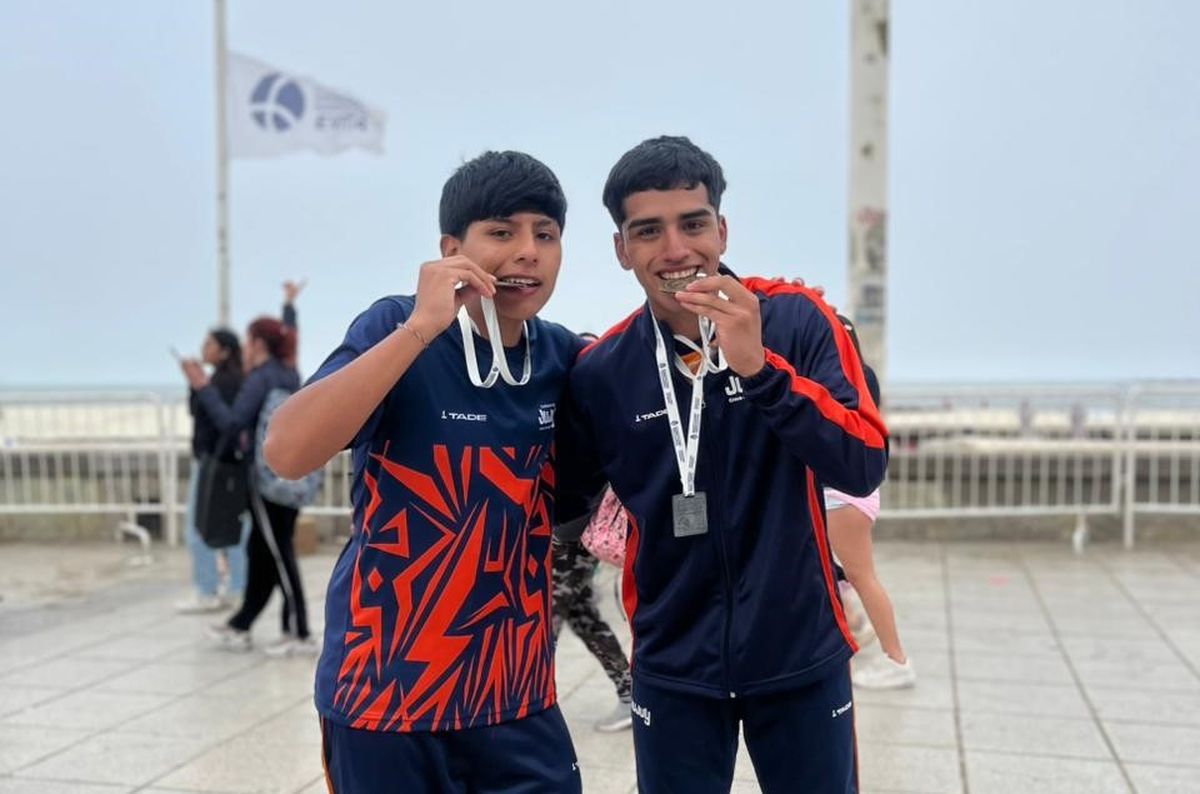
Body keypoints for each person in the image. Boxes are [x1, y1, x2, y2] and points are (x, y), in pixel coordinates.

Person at [557, 136, 889, 793]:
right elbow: (561, 506)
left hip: (800, 655)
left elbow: (861, 465)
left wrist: (762, 372)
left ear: (722, 230)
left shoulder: (797, 321)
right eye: (648, 231)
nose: (675, 249)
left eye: (693, 224)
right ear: (622, 249)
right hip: (672, 668)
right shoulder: (603, 372)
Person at [263, 151, 582, 793]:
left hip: (514, 689)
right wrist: (422, 326)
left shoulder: (561, 355)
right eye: (502, 232)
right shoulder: (395, 325)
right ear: (450, 250)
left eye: (545, 234)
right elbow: (287, 452)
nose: (528, 251)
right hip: (386, 690)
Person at [184, 291, 315, 657]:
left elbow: (233, 422)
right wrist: (289, 308)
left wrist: (203, 388)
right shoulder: (289, 371)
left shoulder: (262, 377)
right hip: (289, 477)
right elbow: (291, 337)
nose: (245, 345)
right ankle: (241, 624)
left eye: (248, 339)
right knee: (262, 553)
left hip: (267, 482)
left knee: (278, 554)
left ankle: (299, 631)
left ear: (258, 343)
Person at [824, 315, 915, 690]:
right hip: (853, 491)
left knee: (861, 576)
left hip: (840, 495)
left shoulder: (840, 382)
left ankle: (897, 661)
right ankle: (856, 630)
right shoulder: (864, 379)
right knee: (839, 574)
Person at [551, 331, 635, 731]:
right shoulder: (589, 405)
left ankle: (528, 705)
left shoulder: (590, 410)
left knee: (546, 619)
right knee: (582, 615)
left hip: (572, 535)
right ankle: (629, 693)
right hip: (572, 531)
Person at [175, 327, 246, 613]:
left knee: (199, 528)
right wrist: (194, 384)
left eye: (210, 344)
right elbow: (197, 411)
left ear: (225, 351)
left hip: (216, 465)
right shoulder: (221, 380)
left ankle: (208, 590)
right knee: (234, 529)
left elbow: (224, 421)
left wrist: (201, 386)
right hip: (224, 465)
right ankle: (236, 588)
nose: (204, 348)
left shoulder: (225, 382)